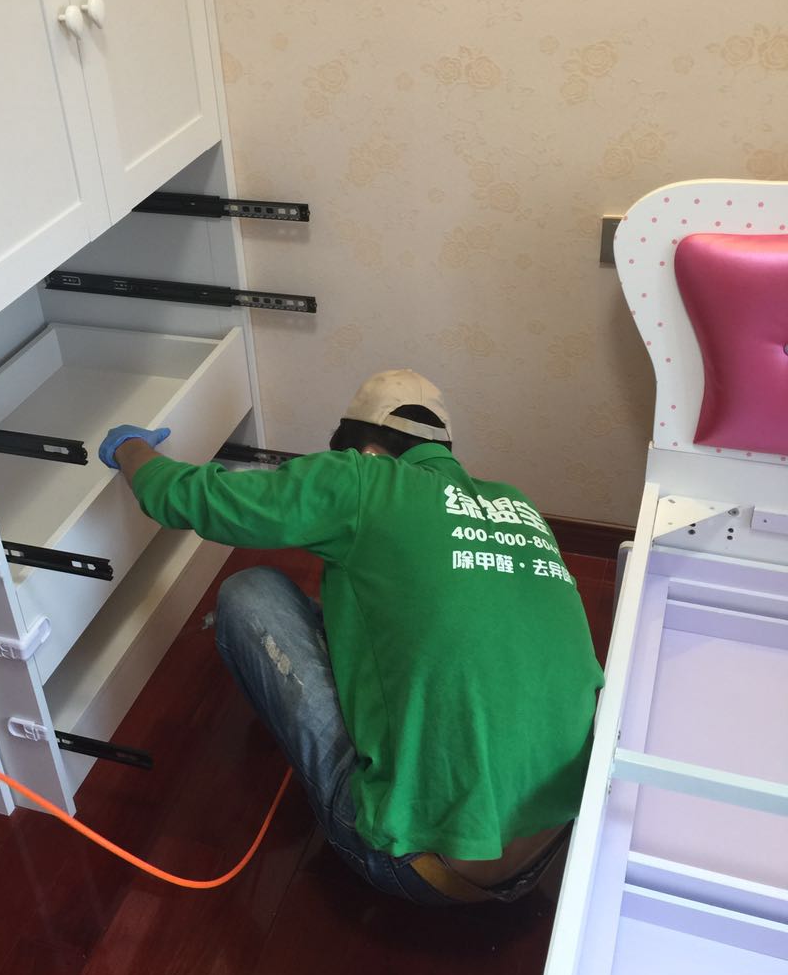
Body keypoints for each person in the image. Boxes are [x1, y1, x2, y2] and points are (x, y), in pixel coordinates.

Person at [99, 369, 604, 905]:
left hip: (417, 866)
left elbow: (187, 498)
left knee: (251, 593)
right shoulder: (518, 507)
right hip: (553, 849)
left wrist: (129, 448)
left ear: (363, 451)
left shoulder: (361, 479)